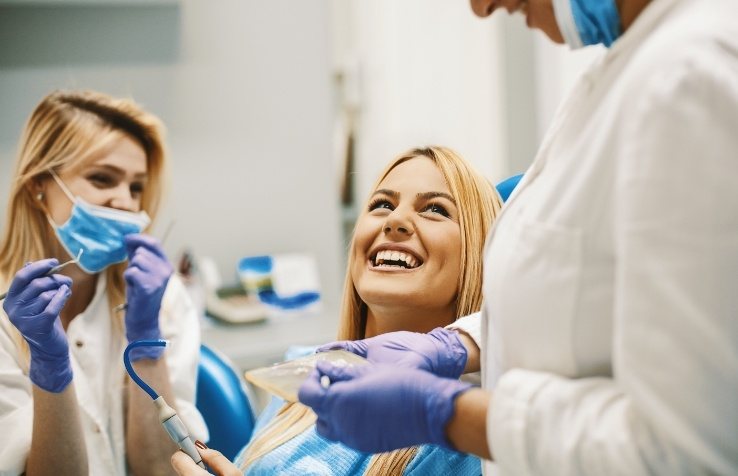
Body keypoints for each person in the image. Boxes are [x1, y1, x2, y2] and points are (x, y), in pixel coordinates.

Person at [296, 0, 738, 475]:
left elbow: (693, 451)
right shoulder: (626, 68)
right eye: (381, 203)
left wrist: (446, 414)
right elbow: (583, 307)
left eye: (436, 210)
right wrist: (461, 344)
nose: (482, 7)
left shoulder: (693, 75)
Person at [170, 146, 503, 475]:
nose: (396, 220)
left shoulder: (470, 438)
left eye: (435, 210)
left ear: (479, 253)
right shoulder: (302, 374)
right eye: (382, 204)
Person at [0, 90, 207, 475]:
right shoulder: (5, 314)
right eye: (102, 178)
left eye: (135, 187)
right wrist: (49, 366)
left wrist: (145, 339)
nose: (125, 203)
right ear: (38, 184)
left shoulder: (159, 295)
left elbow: (162, 471)